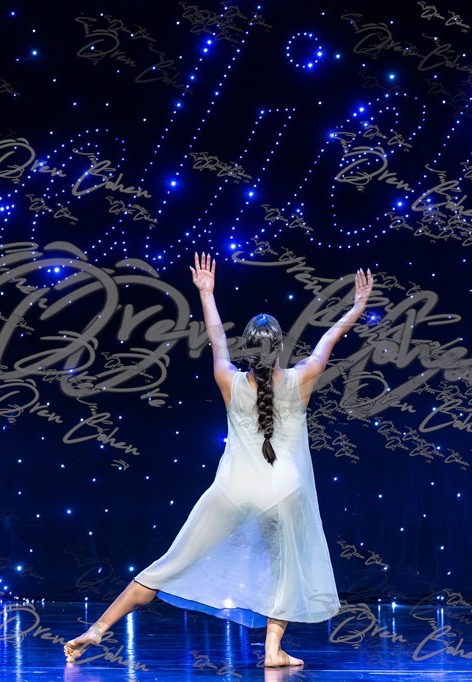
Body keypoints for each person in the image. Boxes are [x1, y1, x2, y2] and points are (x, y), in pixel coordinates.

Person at [64, 253, 374, 667]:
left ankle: (97, 629)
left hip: (233, 489)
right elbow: (329, 339)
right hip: (284, 489)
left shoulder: (228, 378)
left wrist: (206, 293)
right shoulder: (303, 377)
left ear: (248, 350)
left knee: (170, 564)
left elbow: (215, 339)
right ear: (280, 347)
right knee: (285, 570)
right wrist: (356, 308)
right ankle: (272, 651)